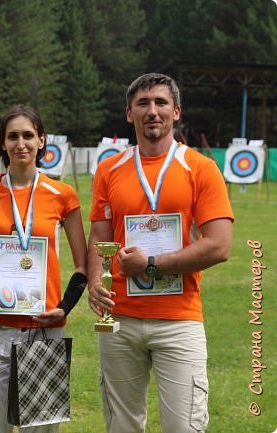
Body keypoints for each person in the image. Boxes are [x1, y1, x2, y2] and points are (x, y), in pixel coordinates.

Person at [87, 73, 234, 433]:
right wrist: (94, 279)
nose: (152, 111)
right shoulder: (109, 170)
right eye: (143, 103)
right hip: (119, 320)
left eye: (161, 103)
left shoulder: (201, 168)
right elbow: (99, 236)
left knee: (184, 428)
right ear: (129, 113)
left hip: (179, 320)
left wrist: (151, 264)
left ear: (176, 111)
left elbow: (219, 244)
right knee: (122, 426)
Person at [0, 105, 88, 433]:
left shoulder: (63, 195)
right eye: (12, 136)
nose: (21, 143)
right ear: (2, 143)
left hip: (43, 330)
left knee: (41, 430)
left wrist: (63, 308)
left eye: (28, 135)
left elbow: (83, 264)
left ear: (42, 140)